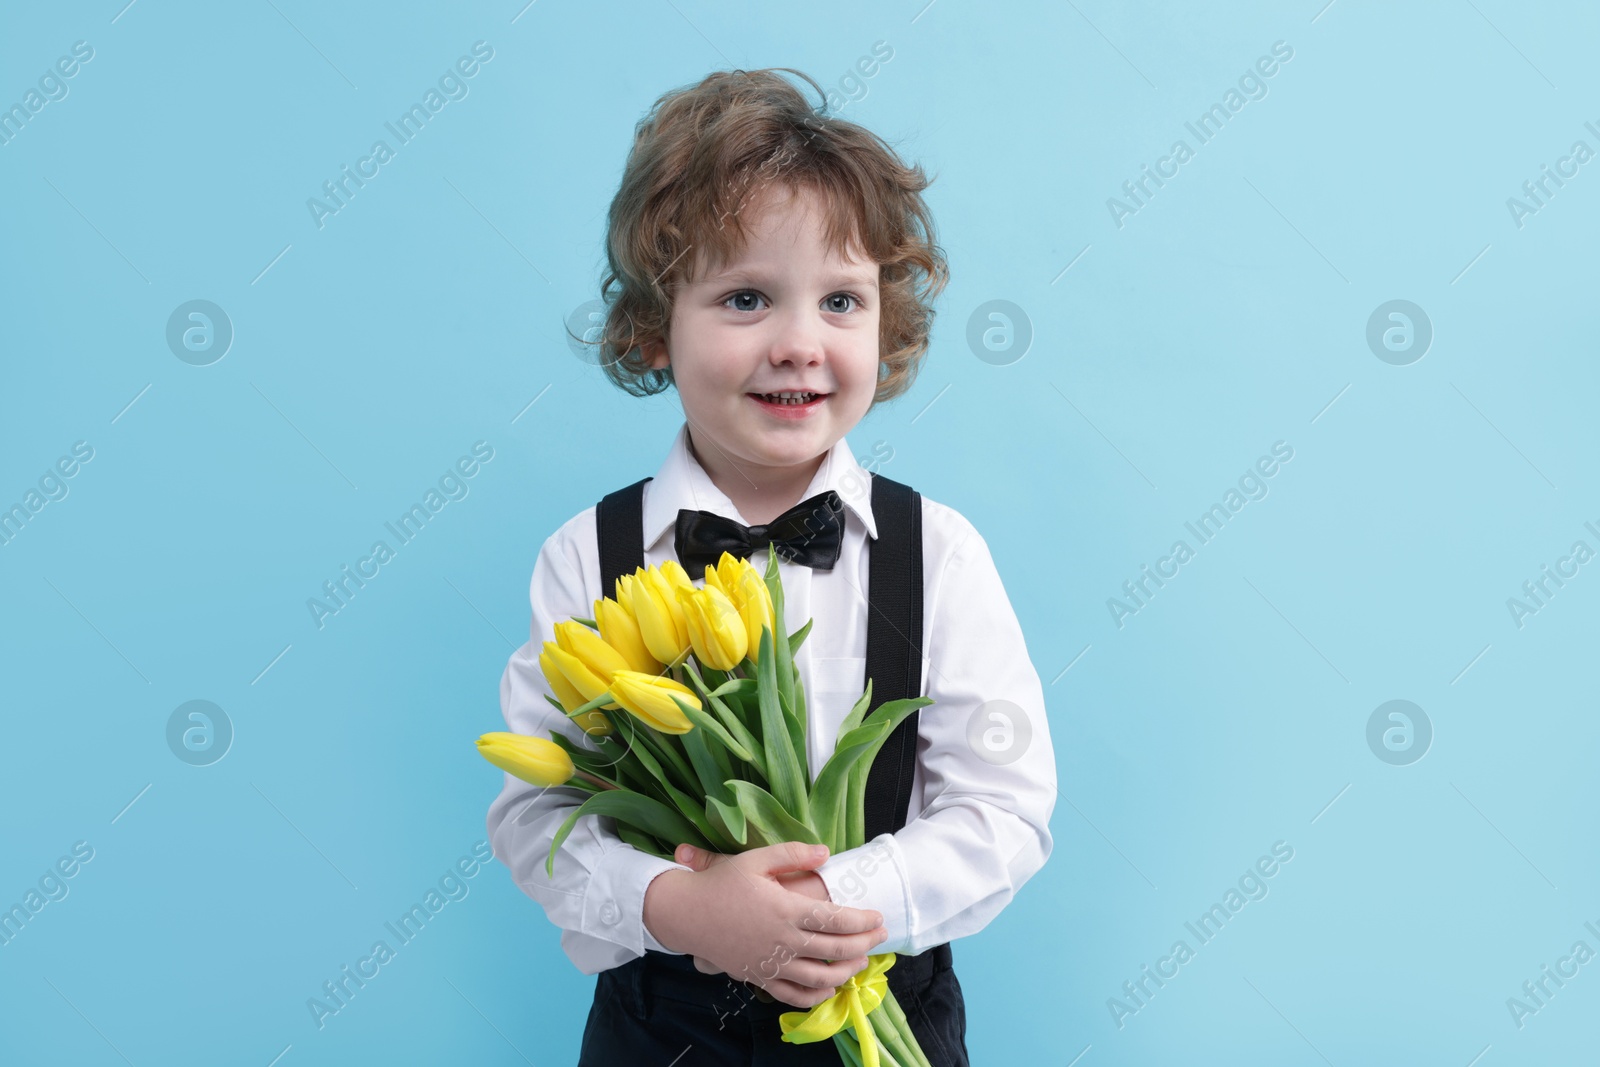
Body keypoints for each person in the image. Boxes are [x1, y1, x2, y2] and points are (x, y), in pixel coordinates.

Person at [485, 67, 1057, 1065]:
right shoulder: (587, 556)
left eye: (841, 300)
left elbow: (1003, 808)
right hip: (662, 1023)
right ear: (651, 327)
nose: (799, 343)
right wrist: (681, 906)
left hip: (882, 1004)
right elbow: (536, 813)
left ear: (888, 324)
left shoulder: (938, 553)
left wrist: (835, 902)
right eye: (745, 297)